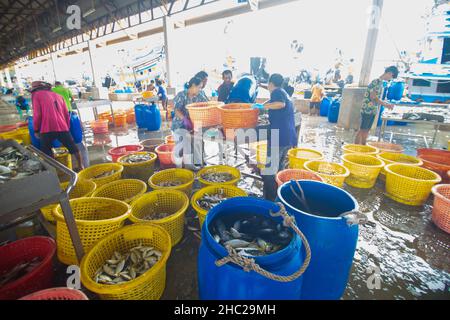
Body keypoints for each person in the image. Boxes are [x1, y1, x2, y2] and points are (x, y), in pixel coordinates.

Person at [260, 73, 298, 201]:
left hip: (279, 136)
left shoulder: (276, 92)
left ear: (271, 83)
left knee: (270, 171)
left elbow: (280, 104)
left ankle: (269, 199)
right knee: (280, 167)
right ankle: (279, 196)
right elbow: (278, 102)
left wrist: (263, 106)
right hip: (289, 136)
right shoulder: (284, 92)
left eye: (268, 84)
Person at [30, 81, 84, 170]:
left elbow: (37, 114)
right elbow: (66, 113)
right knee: (73, 147)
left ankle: (53, 170)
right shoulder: (58, 96)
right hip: (62, 127)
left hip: (46, 128)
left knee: (47, 151)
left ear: (35, 89)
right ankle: (80, 165)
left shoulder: (36, 95)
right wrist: (66, 126)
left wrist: (36, 129)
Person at [355, 66, 398, 145]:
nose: (390, 79)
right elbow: (373, 97)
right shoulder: (376, 82)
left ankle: (363, 146)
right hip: (367, 109)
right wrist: (386, 104)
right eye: (391, 77)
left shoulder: (380, 83)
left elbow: (376, 98)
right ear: (390, 73)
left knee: (367, 130)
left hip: (372, 110)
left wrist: (385, 104)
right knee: (362, 130)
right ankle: (355, 148)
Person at [172, 76, 208, 170]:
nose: (200, 90)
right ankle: (178, 167)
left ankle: (190, 165)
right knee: (180, 146)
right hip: (179, 125)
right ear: (192, 85)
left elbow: (207, 105)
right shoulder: (181, 95)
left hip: (193, 125)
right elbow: (176, 110)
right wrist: (184, 119)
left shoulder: (199, 96)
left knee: (193, 144)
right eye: (199, 87)